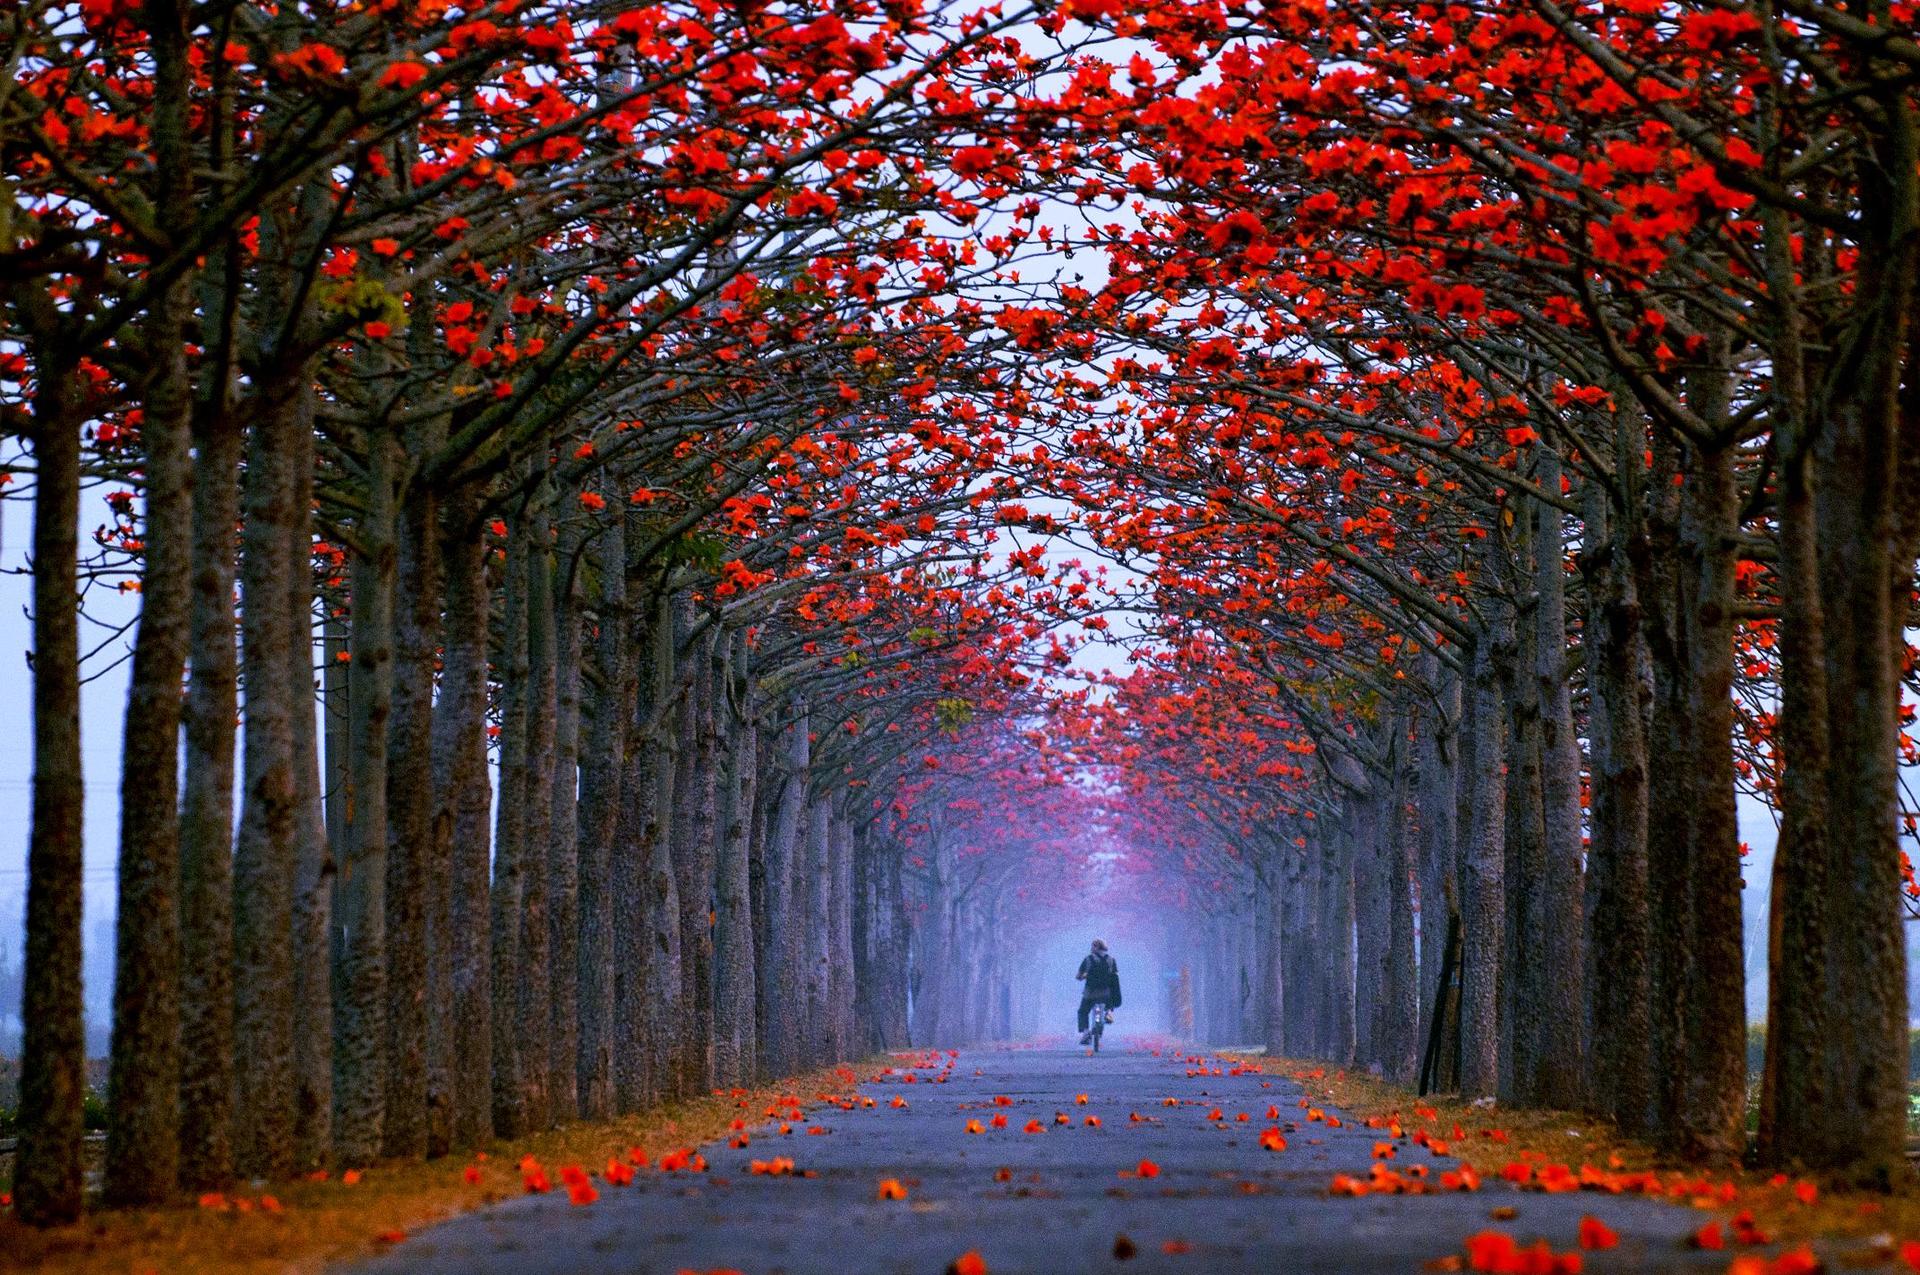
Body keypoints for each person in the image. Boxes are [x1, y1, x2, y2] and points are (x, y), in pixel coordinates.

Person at [1075, 939, 1122, 1043]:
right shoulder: (1111, 960)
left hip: (1090, 993)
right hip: (1105, 993)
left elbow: (1078, 976)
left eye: (1092, 946)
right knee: (1109, 1003)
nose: (1091, 948)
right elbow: (1115, 978)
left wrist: (1084, 976)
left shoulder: (1088, 959)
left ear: (1096, 947)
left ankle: (1086, 1032)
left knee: (1083, 1011)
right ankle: (1109, 1012)